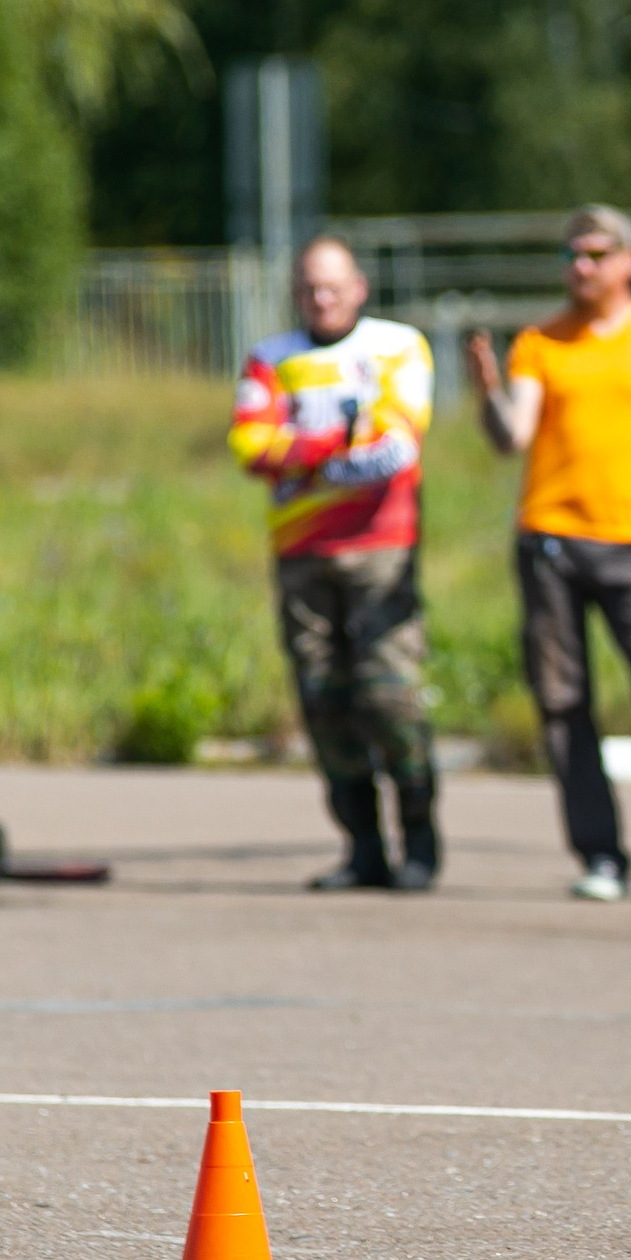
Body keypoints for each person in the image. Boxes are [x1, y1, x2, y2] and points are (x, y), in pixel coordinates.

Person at [464, 204, 631, 903]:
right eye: (573, 254)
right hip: (550, 540)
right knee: (562, 700)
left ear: (628, 261)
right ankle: (600, 854)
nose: (582, 266)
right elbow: (511, 433)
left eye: (597, 253)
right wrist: (486, 388)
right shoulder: (540, 341)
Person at [229, 235, 439, 891]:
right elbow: (249, 444)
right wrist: (333, 445)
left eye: (333, 286)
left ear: (359, 287)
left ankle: (420, 842)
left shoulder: (397, 345)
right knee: (324, 702)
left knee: (390, 700)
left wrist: (301, 453)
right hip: (301, 554)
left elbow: (397, 442)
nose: (322, 298)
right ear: (297, 292)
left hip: (381, 548)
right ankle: (363, 848)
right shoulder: (271, 358)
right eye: (310, 287)